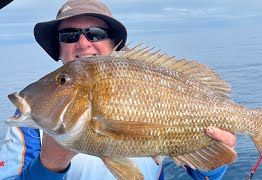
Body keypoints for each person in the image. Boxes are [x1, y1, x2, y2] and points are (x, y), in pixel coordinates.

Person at [0, 0, 236, 179]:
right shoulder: (29, 128)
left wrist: (216, 154)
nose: (83, 43)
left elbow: (204, 177)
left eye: (96, 34)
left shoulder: (150, 82)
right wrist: (49, 164)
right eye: (69, 35)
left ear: (114, 44)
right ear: (59, 48)